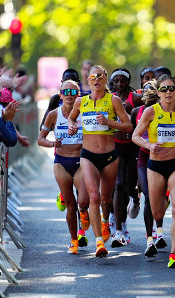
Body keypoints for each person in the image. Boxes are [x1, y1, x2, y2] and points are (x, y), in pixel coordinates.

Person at [132, 74, 175, 268]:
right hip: (155, 167)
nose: (168, 92)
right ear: (158, 92)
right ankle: (166, 199)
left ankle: (173, 255)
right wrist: (149, 145)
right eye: (164, 89)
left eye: (171, 88)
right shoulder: (150, 112)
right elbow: (135, 136)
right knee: (157, 212)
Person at [68, 65, 132, 257]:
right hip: (88, 155)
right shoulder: (81, 101)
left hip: (109, 157)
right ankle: (98, 243)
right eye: (93, 77)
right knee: (93, 197)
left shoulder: (113, 101)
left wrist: (109, 123)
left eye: (100, 76)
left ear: (106, 80)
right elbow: (71, 119)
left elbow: (128, 125)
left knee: (105, 199)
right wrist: (72, 127)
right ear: (88, 80)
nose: (96, 80)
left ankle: (105, 221)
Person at [37, 80, 90, 254]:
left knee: (83, 202)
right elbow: (40, 138)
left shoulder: (85, 112)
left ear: (78, 96)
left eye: (72, 91)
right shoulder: (53, 114)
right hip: (61, 162)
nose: (68, 94)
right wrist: (53, 143)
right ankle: (73, 240)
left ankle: (85, 212)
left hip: (81, 161)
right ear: (60, 95)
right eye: (65, 91)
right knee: (70, 204)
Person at [130, 80, 167, 256]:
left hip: (164, 158)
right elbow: (133, 136)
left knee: (159, 196)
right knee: (148, 194)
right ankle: (150, 240)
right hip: (144, 157)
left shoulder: (168, 112)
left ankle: (160, 232)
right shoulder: (137, 112)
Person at [108, 68, 143, 247]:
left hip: (133, 148)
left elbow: (144, 120)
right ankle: (119, 228)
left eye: (123, 81)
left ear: (128, 82)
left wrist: (132, 112)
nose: (120, 84)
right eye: (116, 81)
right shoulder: (110, 99)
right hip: (116, 147)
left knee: (129, 186)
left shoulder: (136, 99)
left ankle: (135, 197)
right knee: (119, 185)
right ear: (112, 83)